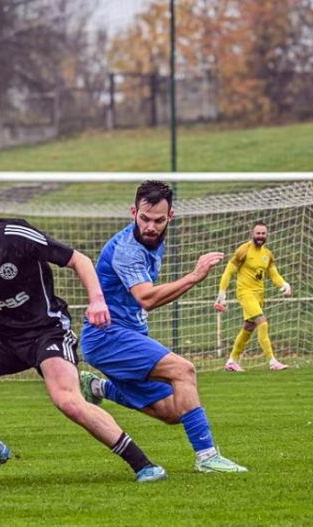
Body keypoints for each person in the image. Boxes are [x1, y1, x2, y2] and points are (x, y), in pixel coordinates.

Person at [0, 186, 167, 482]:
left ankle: (144, 465)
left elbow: (79, 260)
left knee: (68, 400)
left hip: (47, 332)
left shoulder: (16, 235)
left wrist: (97, 301)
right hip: (5, 337)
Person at [79, 180, 248, 474]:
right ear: (133, 212)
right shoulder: (127, 250)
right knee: (184, 371)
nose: (150, 227)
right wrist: (194, 276)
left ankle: (97, 387)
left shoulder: (155, 239)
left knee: (173, 412)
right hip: (107, 336)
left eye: (158, 220)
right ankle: (207, 457)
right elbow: (146, 299)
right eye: (144, 218)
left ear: (170, 217)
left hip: (126, 335)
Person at [214, 221, 292, 371]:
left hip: (259, 295)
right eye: (258, 233)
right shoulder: (243, 250)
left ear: (267, 235)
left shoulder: (267, 254)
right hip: (245, 293)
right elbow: (228, 272)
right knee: (262, 322)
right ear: (252, 234)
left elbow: (274, 275)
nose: (260, 236)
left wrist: (284, 285)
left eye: (263, 233)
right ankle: (272, 361)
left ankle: (231, 361)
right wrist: (222, 293)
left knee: (249, 327)